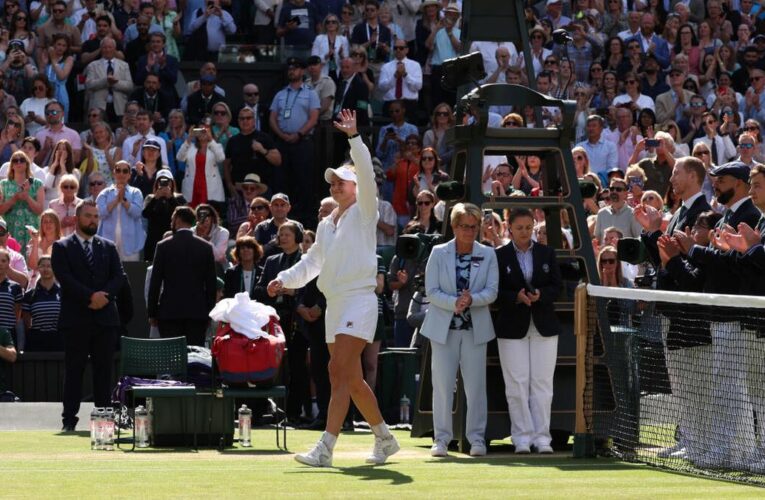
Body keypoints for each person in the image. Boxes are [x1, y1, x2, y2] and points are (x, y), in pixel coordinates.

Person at [269, 110, 399, 467]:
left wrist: (354, 138)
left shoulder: (365, 211)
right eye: (333, 183)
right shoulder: (326, 224)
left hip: (359, 300)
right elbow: (312, 264)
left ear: (357, 187)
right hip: (335, 303)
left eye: (342, 181)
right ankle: (385, 438)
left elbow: (367, 176)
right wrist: (286, 281)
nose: (335, 185)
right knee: (346, 376)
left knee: (341, 371)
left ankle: (325, 447)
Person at [419, 201, 498, 457]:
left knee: (476, 387)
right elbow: (431, 291)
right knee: (441, 385)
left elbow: (492, 291)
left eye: (473, 227)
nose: (469, 231)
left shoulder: (488, 254)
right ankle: (441, 439)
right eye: (464, 226)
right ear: (454, 226)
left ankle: (476, 439)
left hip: (475, 330)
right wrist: (454, 302)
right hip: (443, 329)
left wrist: (472, 300)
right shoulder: (438, 252)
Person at [52, 199, 125, 431]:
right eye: (88, 216)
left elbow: (119, 277)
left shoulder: (108, 246)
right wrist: (90, 297)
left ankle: (104, 421)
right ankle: (69, 421)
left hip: (105, 319)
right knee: (74, 370)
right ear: (76, 218)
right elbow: (65, 279)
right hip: (76, 319)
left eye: (96, 216)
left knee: (104, 372)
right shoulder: (62, 247)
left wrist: (103, 296)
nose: (93, 220)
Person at [494, 207, 562, 454]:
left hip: (543, 324)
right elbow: (495, 291)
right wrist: (516, 297)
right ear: (509, 228)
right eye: (519, 228)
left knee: (542, 384)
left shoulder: (547, 252)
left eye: (528, 227)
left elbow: (558, 287)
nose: (524, 232)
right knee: (516, 384)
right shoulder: (499, 255)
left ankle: (542, 438)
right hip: (511, 326)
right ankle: (521, 438)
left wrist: (541, 295)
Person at [255, 221, 308, 423]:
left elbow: (311, 290)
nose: (283, 237)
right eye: (280, 234)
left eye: (287, 234)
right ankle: (268, 410)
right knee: (271, 366)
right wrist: (269, 291)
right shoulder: (271, 261)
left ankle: (294, 412)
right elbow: (258, 291)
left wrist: (294, 292)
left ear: (297, 237)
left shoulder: (305, 260)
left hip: (296, 320)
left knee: (296, 366)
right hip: (274, 321)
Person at [148, 205, 217, 346]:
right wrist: (209, 312)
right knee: (194, 359)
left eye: (172, 219)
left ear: (177, 220)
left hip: (169, 313)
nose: (171, 222)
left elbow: (155, 283)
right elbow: (211, 284)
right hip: (197, 314)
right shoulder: (205, 247)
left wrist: (152, 313)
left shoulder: (163, 246)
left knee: (171, 361)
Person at [269, 57, 320, 225]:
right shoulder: (280, 94)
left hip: (303, 142)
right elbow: (272, 118)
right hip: (282, 142)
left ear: (302, 71)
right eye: (290, 68)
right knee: (282, 179)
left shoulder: (310, 93)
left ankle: (304, 217)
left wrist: (299, 133)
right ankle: (281, 216)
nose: (292, 71)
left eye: (296, 68)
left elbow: (313, 118)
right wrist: (282, 135)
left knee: (304, 179)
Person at [96, 160, 146, 261]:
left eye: (125, 171)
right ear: (114, 173)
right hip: (107, 243)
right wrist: (115, 200)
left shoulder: (135, 192)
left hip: (130, 245)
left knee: (130, 275)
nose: (121, 174)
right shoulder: (104, 193)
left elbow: (137, 213)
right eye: (118, 170)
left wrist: (123, 200)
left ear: (129, 175)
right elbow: (100, 213)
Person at [0, 150, 44, 250]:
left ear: (27, 163)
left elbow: (39, 210)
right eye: (15, 160)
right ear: (11, 165)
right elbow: (0, 210)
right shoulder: (3, 184)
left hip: (30, 227)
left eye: (22, 160)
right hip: (10, 227)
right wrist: (14, 199)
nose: (19, 162)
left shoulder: (37, 184)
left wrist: (27, 197)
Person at [84, 38, 134, 123]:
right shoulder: (92, 65)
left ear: (114, 49)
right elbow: (89, 84)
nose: (107, 50)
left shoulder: (124, 65)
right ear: (101, 49)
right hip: (99, 106)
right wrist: (106, 81)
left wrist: (115, 83)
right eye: (105, 47)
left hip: (119, 107)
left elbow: (130, 86)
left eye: (110, 47)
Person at [142, 169, 185, 262]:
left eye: (167, 181)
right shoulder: (150, 198)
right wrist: (155, 198)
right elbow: (145, 214)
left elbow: (183, 215)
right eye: (160, 181)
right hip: (153, 239)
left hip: (173, 237)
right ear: (156, 183)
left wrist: (171, 198)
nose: (164, 184)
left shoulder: (179, 198)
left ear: (172, 183)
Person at [21, 254, 61, 351]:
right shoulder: (29, 295)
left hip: (59, 340)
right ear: (38, 268)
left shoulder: (64, 293)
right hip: (36, 341)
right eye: (42, 266)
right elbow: (26, 322)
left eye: (49, 266)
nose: (45, 269)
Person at [311, 13, 350, 81]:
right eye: (328, 22)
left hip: (338, 73)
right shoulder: (319, 39)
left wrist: (341, 55)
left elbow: (347, 61)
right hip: (323, 73)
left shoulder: (343, 39)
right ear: (325, 25)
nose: (330, 24)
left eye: (333, 22)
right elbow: (313, 60)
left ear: (337, 24)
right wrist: (326, 56)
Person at [27, 208, 60, 272]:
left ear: (56, 224)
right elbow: (33, 266)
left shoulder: (63, 242)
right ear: (41, 225)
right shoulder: (33, 241)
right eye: (45, 222)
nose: (48, 224)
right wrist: (35, 242)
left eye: (51, 221)